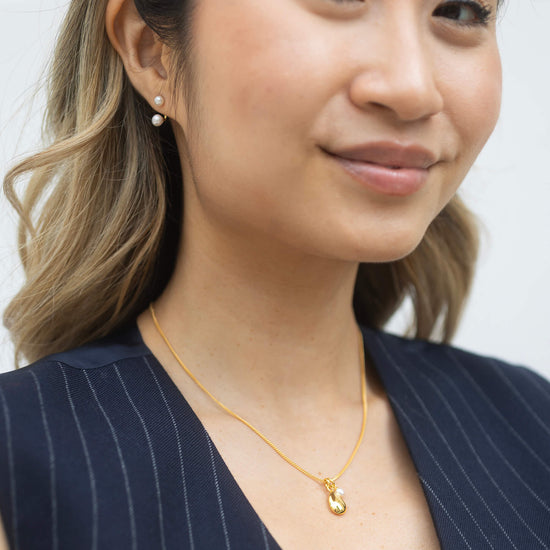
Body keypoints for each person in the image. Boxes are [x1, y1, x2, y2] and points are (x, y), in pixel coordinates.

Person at [0, 0, 549, 548]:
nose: (413, 89)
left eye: (460, 9)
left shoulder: (535, 429)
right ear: (153, 52)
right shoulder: (21, 467)